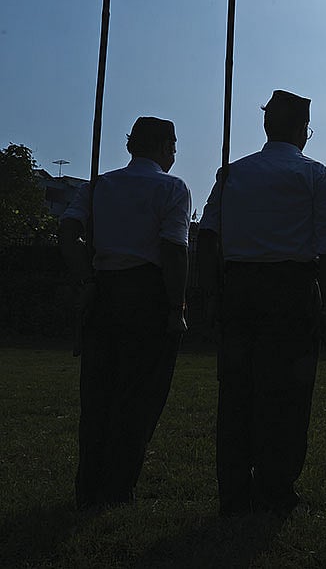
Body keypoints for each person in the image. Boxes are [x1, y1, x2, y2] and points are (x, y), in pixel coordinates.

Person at [198, 89, 326, 517]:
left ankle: (234, 494)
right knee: (288, 394)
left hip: (239, 288)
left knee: (237, 393)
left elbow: (207, 236)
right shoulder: (315, 176)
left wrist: (210, 294)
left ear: (266, 124)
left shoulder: (233, 174)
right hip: (292, 290)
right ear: (303, 130)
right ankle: (276, 491)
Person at [59, 116, 191, 510]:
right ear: (166, 147)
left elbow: (68, 232)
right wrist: (176, 305)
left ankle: (88, 485)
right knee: (140, 394)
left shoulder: (100, 184)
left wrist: (86, 280)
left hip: (104, 289)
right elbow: (174, 249)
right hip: (147, 294)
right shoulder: (172, 188)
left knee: (97, 392)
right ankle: (118, 487)